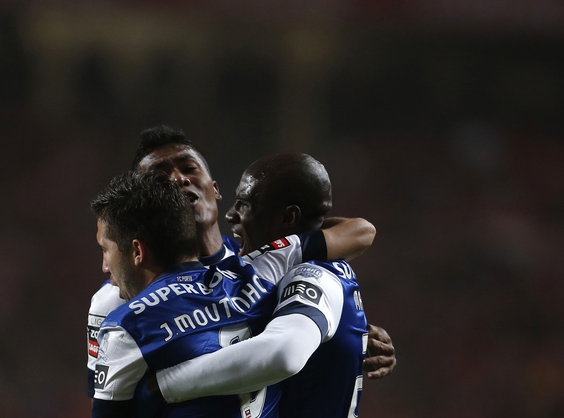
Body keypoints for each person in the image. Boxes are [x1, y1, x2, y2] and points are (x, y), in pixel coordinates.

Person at [86, 125, 394, 397]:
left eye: (188, 167)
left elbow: (358, 231)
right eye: (159, 178)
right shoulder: (116, 299)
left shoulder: (266, 260)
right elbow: (110, 398)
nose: (178, 179)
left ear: (215, 189)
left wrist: (348, 337)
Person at [150, 153, 386, 417]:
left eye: (243, 204)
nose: (231, 215)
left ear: (288, 218)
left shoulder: (311, 273)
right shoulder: (276, 268)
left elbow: (284, 354)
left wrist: (163, 385)